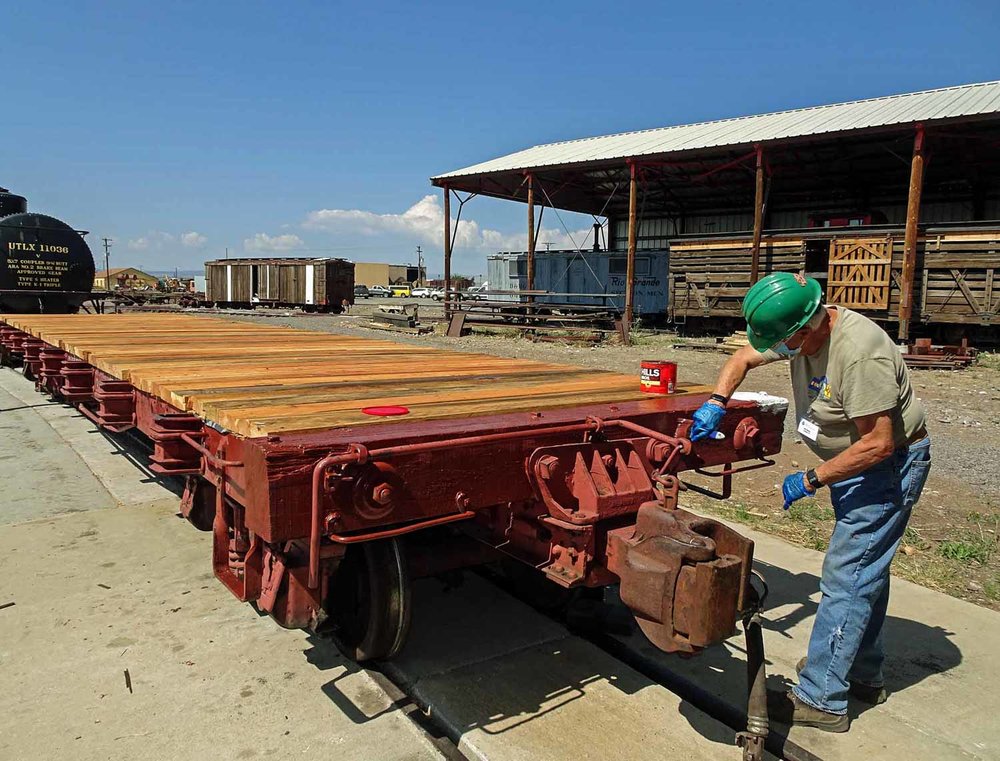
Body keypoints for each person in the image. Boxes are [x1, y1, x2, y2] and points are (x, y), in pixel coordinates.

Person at [690, 272, 931, 733]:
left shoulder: (859, 354)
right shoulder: (802, 333)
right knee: (865, 571)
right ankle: (861, 672)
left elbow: (879, 444)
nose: (779, 349)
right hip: (856, 462)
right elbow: (742, 356)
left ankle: (823, 697)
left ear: (805, 326)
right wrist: (716, 401)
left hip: (886, 467)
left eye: (783, 341)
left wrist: (812, 478)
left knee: (847, 576)